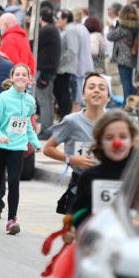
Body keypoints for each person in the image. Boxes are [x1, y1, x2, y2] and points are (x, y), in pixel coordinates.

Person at [0, 64, 40, 234]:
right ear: (12, 77)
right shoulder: (3, 98)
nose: (21, 77)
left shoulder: (30, 101)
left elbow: (27, 124)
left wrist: (35, 143)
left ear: (29, 79)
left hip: (17, 145)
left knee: (14, 181)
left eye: (24, 74)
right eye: (18, 74)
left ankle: (11, 220)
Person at [43, 72, 110, 215]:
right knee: (75, 232)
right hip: (80, 184)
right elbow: (48, 149)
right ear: (83, 95)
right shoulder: (72, 121)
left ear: (108, 97)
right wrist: (71, 159)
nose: (96, 90)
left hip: (107, 185)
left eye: (102, 88)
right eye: (91, 87)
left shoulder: (115, 122)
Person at [68, 109, 139, 232]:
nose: (117, 143)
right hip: (98, 244)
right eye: (109, 138)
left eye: (123, 137)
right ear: (100, 142)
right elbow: (78, 210)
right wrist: (70, 227)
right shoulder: (89, 176)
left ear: (132, 140)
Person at [34, 7, 61, 136]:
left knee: (43, 100)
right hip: (51, 69)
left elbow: (34, 45)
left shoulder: (46, 31)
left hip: (44, 69)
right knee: (49, 100)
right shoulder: (54, 29)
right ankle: (49, 127)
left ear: (41, 18)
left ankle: (45, 128)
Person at [107, 3, 139, 99]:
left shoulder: (123, 27)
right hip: (133, 56)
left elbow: (110, 36)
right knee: (129, 81)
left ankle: (127, 103)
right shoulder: (136, 26)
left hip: (123, 58)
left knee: (125, 82)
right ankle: (130, 102)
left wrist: (111, 26)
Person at [55, 9, 82, 120]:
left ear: (65, 19)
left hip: (65, 68)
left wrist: (60, 61)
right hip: (63, 67)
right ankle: (63, 116)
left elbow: (72, 50)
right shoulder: (66, 30)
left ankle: (64, 117)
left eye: (59, 18)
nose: (57, 21)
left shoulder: (71, 30)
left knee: (64, 92)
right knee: (61, 92)